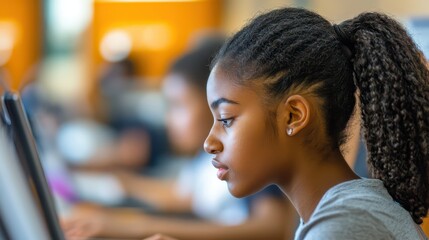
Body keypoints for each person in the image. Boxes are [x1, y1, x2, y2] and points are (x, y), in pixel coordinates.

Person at [202, 7, 429, 240]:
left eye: (226, 119)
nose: (209, 143)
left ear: (293, 115)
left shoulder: (342, 226)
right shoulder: (349, 212)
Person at [62, 37, 297, 240]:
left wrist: (136, 226)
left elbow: (272, 228)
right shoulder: (204, 161)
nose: (168, 120)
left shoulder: (247, 155)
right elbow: (181, 195)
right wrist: (113, 201)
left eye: (178, 106)